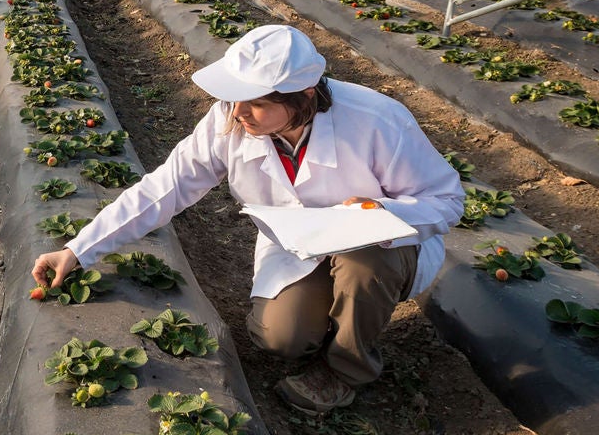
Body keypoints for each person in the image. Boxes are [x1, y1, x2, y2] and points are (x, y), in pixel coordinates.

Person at [32, 24, 464, 413]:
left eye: (256, 104)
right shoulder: (231, 118)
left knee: (364, 262)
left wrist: (377, 213)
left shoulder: (376, 122)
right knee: (281, 339)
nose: (239, 114)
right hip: (297, 245)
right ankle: (333, 320)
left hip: (381, 249)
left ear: (304, 97)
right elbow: (167, 186)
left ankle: (346, 371)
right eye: (235, 100)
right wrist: (79, 249)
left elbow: (446, 199)